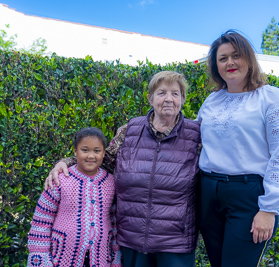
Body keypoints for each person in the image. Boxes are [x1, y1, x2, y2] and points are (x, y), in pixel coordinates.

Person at [45, 71, 201, 267]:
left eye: (175, 93)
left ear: (183, 99)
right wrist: (66, 162)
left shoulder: (196, 136)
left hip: (175, 243)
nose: (168, 99)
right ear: (150, 98)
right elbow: (103, 160)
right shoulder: (130, 130)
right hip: (132, 240)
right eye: (161, 93)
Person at [195, 30, 279, 267]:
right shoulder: (212, 101)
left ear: (249, 60)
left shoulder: (271, 98)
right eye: (222, 58)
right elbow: (194, 142)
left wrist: (269, 209)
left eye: (236, 55)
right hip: (208, 193)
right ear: (216, 66)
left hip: (248, 196)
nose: (230, 62)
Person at [27, 127, 121, 267]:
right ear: (75, 151)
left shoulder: (110, 182)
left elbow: (114, 221)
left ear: (103, 154)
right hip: (62, 257)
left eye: (97, 151)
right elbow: (42, 221)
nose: (91, 156)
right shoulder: (60, 180)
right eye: (85, 150)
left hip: (101, 257)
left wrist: (116, 256)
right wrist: (40, 256)